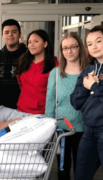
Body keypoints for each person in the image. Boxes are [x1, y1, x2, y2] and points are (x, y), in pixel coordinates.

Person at [45, 32, 89, 180]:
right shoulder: (56, 74)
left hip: (85, 129)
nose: (69, 51)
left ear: (80, 48)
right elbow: (50, 101)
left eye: (73, 47)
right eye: (65, 48)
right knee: (63, 169)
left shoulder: (90, 72)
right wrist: (49, 127)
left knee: (81, 169)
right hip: (62, 129)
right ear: (61, 51)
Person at [70, 25, 103, 180]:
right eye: (89, 44)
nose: (94, 47)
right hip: (89, 132)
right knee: (81, 176)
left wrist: (94, 87)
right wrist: (86, 86)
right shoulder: (88, 70)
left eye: (99, 41)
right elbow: (75, 101)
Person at [17, 29, 58, 114]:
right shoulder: (23, 61)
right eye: (29, 42)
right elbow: (20, 82)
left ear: (45, 44)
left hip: (42, 113)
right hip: (21, 111)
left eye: (36, 41)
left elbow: (56, 92)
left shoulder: (54, 65)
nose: (31, 45)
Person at [0, 19, 26, 109]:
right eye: (6, 32)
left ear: (19, 34)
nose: (10, 35)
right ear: (2, 35)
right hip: (0, 105)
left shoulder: (28, 55)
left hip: (23, 104)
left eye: (14, 32)